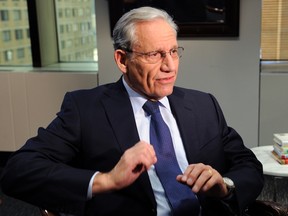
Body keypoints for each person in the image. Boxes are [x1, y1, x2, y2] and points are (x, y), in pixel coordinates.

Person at [1, 6, 263, 216]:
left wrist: (224, 186)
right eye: (155, 55)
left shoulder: (204, 105)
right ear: (122, 60)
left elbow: (249, 165)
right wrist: (106, 180)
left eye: (173, 51)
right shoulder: (85, 109)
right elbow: (17, 171)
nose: (170, 66)